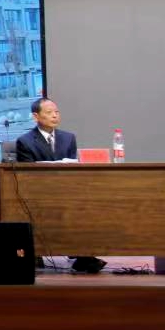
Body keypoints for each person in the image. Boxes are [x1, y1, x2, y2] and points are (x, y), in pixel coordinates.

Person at [15, 98, 106, 274]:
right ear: (36, 116)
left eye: (56, 112)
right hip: (38, 194)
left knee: (84, 208)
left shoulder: (68, 138)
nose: (55, 115)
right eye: (49, 112)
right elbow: (26, 176)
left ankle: (83, 255)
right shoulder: (25, 141)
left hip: (65, 192)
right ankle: (37, 252)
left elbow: (72, 169)